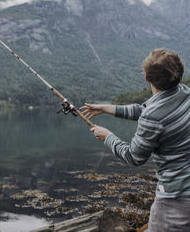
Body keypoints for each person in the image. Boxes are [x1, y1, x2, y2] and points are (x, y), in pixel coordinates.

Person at [80, 48, 190, 232]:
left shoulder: (153, 117)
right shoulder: (184, 93)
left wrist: (108, 137)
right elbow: (144, 109)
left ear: (147, 78)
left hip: (175, 200)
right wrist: (107, 108)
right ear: (179, 74)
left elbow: (134, 157)